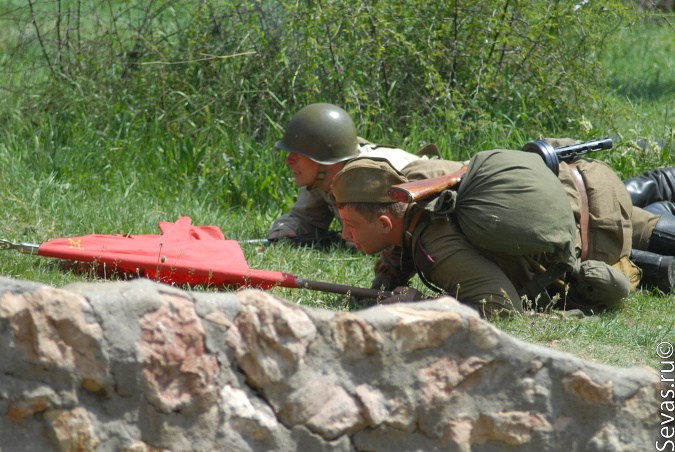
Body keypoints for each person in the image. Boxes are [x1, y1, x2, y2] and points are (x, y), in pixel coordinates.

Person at [331, 156, 634, 318]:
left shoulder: (436, 249)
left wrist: (423, 303)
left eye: (350, 224)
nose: (345, 235)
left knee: (652, 232)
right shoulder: (415, 198)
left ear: (385, 223)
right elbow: (398, 252)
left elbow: (502, 308)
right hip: (583, 179)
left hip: (605, 221)